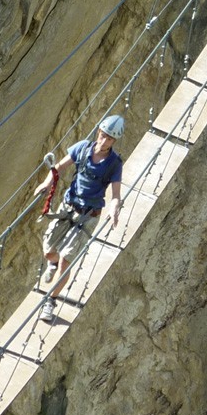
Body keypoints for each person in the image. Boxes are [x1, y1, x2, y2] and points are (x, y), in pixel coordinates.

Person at [33, 115, 124, 322]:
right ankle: (53, 264)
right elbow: (60, 167)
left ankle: (50, 301)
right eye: (102, 135)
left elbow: (116, 194)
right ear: (97, 132)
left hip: (88, 215)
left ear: (114, 141)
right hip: (68, 207)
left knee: (66, 259)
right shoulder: (83, 148)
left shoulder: (114, 163)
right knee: (49, 252)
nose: (103, 141)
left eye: (109, 139)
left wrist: (114, 207)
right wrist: (47, 183)